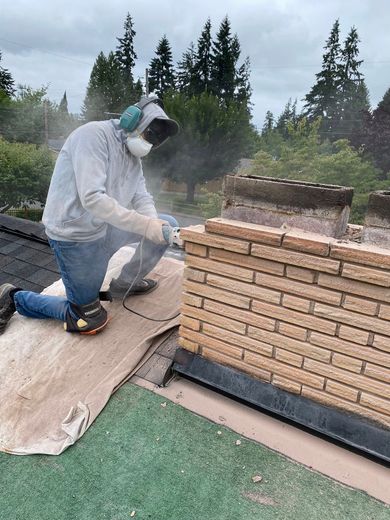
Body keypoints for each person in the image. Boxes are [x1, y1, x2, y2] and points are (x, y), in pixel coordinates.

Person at [0, 96, 180, 336]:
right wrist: (147, 226)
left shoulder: (132, 156)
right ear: (131, 120)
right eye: (149, 133)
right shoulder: (93, 136)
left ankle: (127, 282)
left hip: (104, 228)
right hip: (75, 237)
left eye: (155, 139)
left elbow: (142, 197)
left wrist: (156, 225)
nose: (150, 142)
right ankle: (14, 297)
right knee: (87, 319)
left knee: (168, 224)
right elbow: (93, 199)